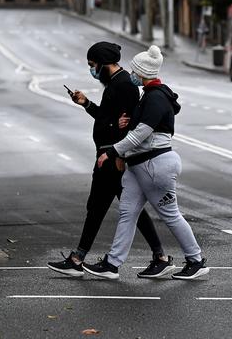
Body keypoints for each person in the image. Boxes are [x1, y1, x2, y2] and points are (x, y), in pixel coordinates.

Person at [47, 41, 174, 278]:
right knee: (122, 209)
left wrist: (119, 155)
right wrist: (86, 104)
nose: (92, 70)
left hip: (112, 157)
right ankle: (159, 256)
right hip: (109, 154)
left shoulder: (124, 85)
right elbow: (108, 118)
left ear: (104, 64)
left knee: (100, 207)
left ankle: (78, 259)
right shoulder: (116, 83)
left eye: (93, 65)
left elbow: (130, 126)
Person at [82, 45, 208, 281]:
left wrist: (112, 152)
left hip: (155, 165)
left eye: (133, 71)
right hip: (140, 166)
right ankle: (112, 263)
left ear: (142, 73)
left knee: (170, 214)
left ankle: (196, 260)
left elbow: (142, 133)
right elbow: (138, 129)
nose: (131, 74)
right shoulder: (148, 95)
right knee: (127, 212)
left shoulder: (156, 98)